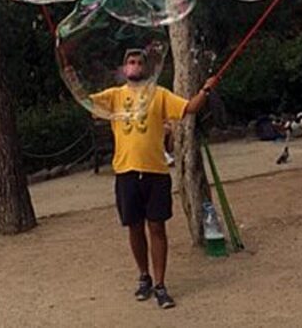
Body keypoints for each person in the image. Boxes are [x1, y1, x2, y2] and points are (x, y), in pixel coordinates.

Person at [90, 48, 214, 309]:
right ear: (125, 69)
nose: (134, 65)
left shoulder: (159, 94)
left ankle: (160, 284)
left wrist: (205, 90)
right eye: (130, 62)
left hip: (156, 172)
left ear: (146, 68)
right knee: (134, 227)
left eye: (138, 62)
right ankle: (143, 276)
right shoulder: (114, 96)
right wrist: (69, 72)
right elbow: (88, 104)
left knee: (157, 228)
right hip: (126, 172)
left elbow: (189, 108)